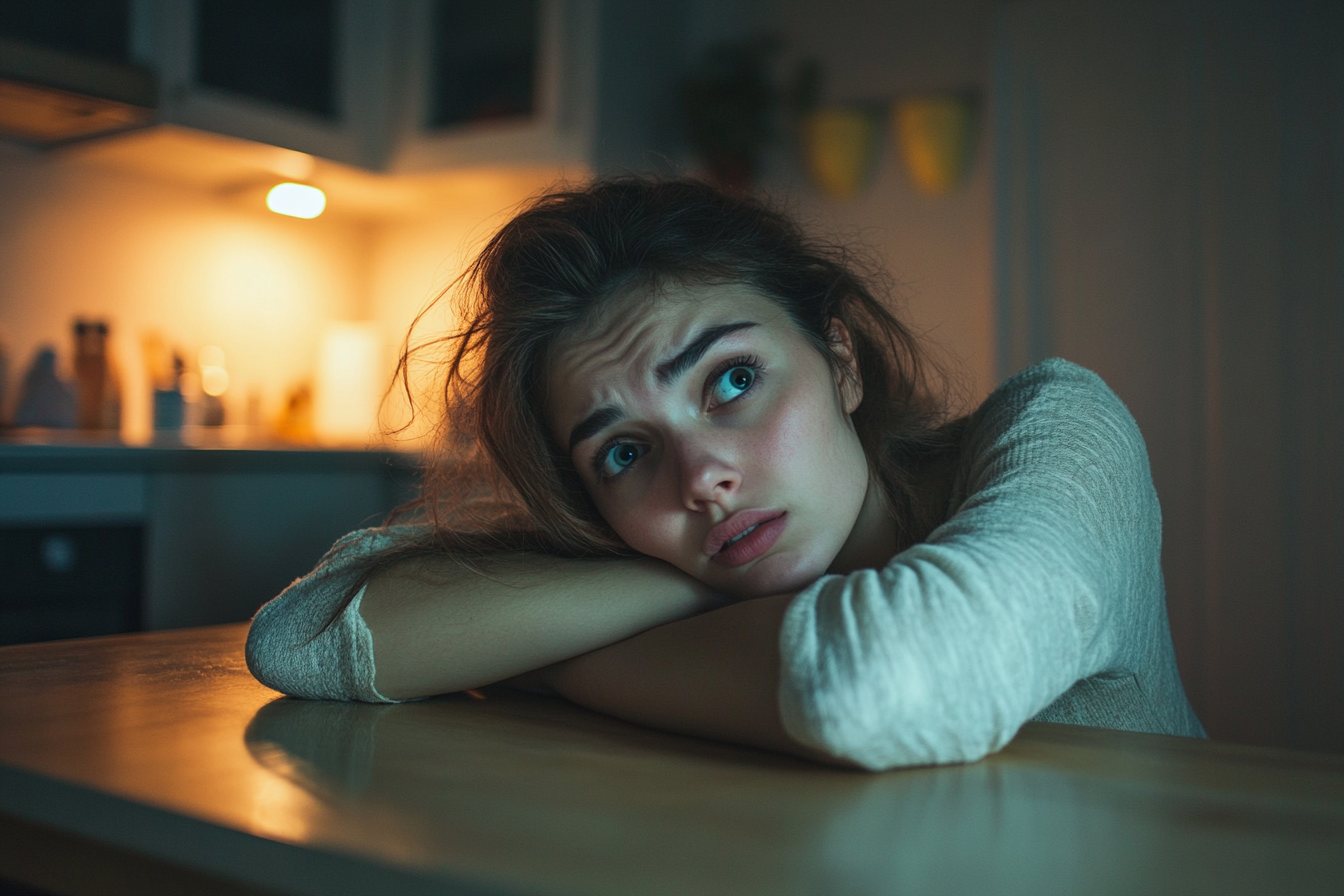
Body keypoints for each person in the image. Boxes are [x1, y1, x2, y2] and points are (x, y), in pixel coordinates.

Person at [246, 178, 1204, 771]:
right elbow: (303, 633)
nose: (699, 478)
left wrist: (546, 662)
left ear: (840, 358)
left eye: (732, 380)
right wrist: (675, 580)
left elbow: (884, 685)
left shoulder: (1063, 434)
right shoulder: (678, 539)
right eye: (624, 452)